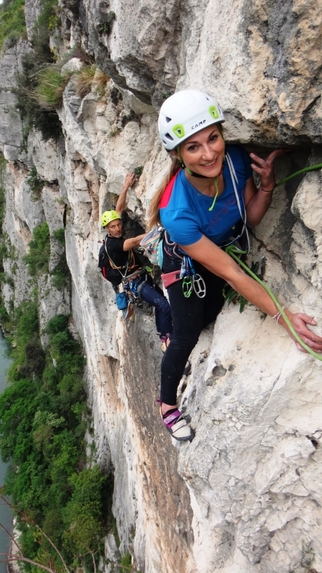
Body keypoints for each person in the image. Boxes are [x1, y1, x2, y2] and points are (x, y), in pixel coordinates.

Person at [147, 89, 322, 442]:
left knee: (209, 312)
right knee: (185, 336)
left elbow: (249, 218)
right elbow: (232, 271)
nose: (209, 153)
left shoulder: (236, 160)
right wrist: (283, 316)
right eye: (193, 147)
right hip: (186, 266)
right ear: (178, 155)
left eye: (213, 138)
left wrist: (267, 186)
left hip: (219, 251)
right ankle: (166, 404)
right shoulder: (177, 212)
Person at [101, 173, 173, 349]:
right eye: (113, 227)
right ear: (107, 229)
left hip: (141, 276)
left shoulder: (114, 230)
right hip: (135, 283)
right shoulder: (113, 245)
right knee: (163, 304)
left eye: (118, 225)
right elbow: (133, 242)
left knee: (161, 301)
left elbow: (118, 210)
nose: (118, 228)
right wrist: (157, 231)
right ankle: (166, 341)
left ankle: (163, 333)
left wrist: (125, 186)